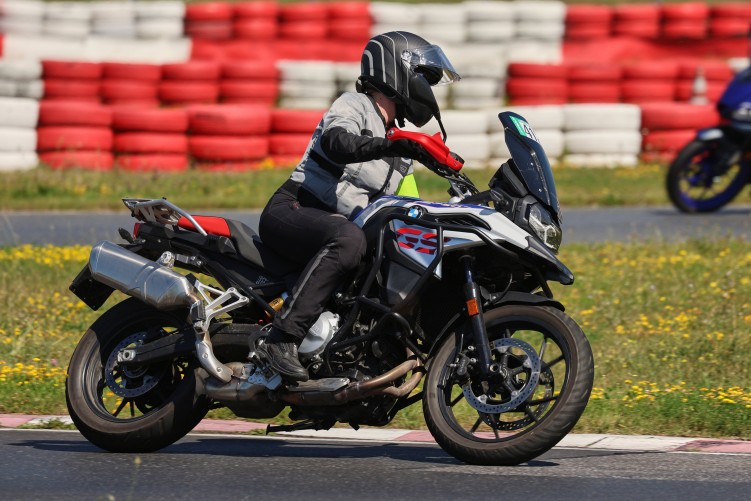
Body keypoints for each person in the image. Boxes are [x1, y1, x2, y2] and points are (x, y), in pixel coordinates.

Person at [257, 31, 461, 381]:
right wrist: (389, 146)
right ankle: (281, 339)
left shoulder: (400, 151)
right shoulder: (355, 105)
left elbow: (406, 209)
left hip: (333, 227)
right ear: (397, 71)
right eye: (424, 78)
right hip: (294, 208)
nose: (427, 88)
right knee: (350, 240)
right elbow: (336, 142)